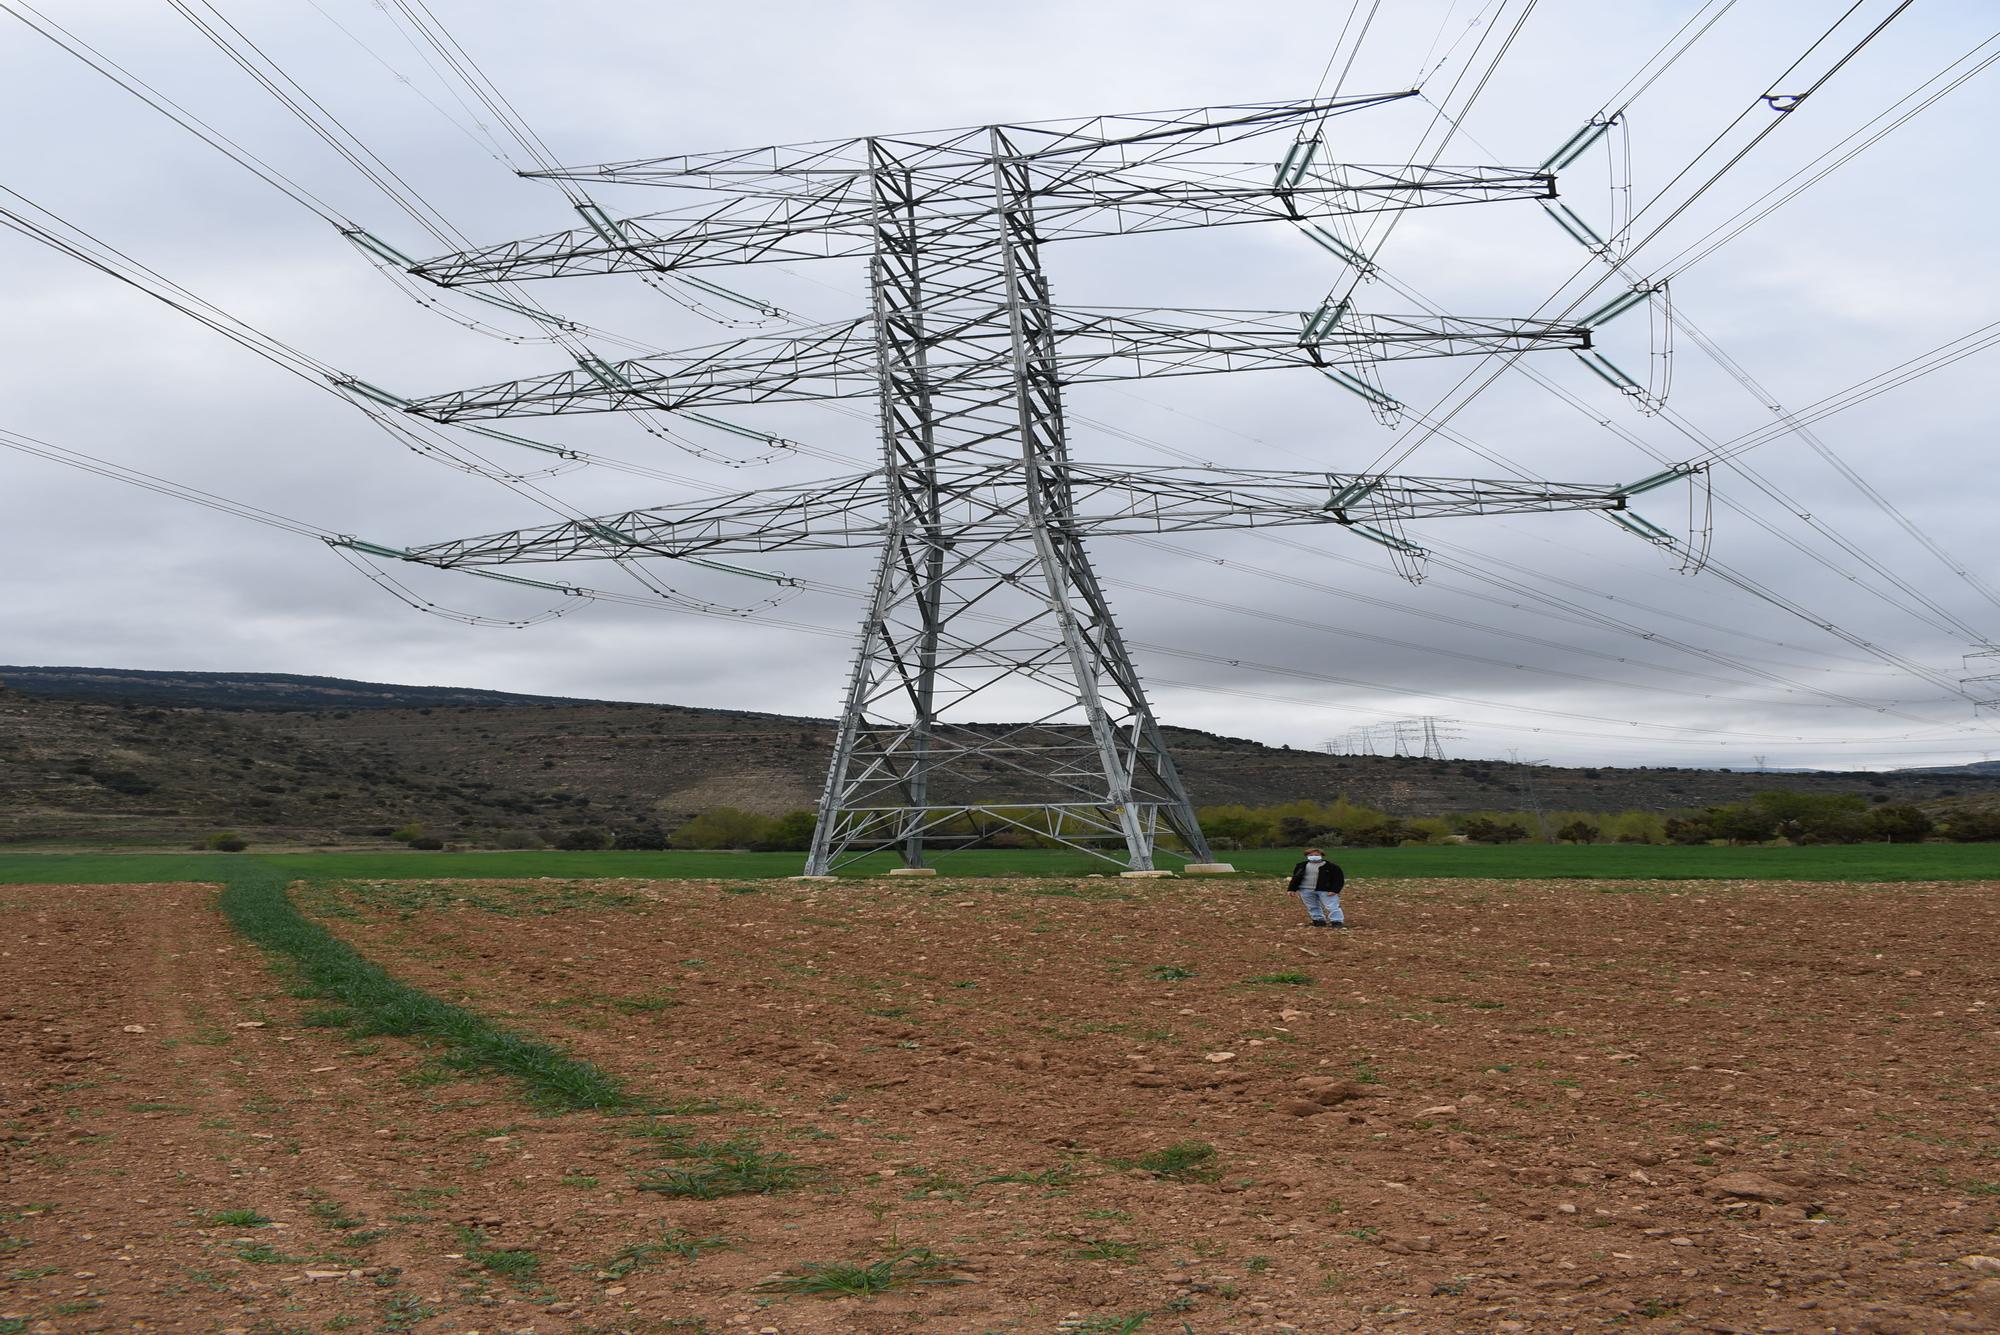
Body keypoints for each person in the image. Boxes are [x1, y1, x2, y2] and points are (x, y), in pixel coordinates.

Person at [1287, 846, 1345, 928]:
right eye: (1311, 854)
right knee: (1312, 906)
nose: (1314, 856)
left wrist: (1334, 890)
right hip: (1306, 889)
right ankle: (1318, 921)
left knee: (1332, 906)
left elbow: (1339, 879)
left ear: (1321, 855)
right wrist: (1291, 889)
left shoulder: (1332, 867)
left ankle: (1337, 921)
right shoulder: (1301, 866)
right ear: (1307, 856)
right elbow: (1296, 878)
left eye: (1316, 854)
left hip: (1325, 890)